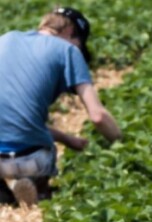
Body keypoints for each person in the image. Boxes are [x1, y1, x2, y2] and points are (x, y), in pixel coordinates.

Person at [0, 7, 121, 206]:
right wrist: (121, 144)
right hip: (30, 160)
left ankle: (6, 194)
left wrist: (67, 138)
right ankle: (37, 187)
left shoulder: (5, 39)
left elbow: (12, 116)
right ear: (70, 34)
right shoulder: (68, 50)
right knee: (42, 152)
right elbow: (97, 116)